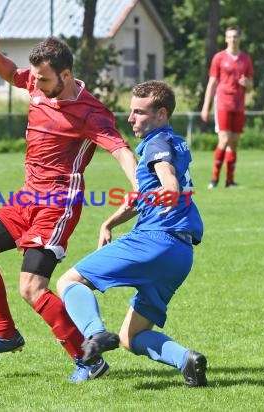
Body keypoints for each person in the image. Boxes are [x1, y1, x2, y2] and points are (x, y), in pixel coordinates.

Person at [0, 28, 137, 382]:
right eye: (36, 77)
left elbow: (119, 149)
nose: (36, 84)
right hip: (26, 197)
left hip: (58, 205)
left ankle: (89, 360)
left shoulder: (91, 112)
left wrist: (139, 185)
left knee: (31, 288)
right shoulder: (36, 82)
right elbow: (12, 74)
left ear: (66, 75)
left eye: (43, 78)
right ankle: (5, 334)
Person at [56, 80, 208, 387]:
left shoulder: (156, 145)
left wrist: (169, 191)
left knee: (69, 282)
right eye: (131, 112)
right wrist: (109, 223)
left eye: (139, 112)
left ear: (161, 114)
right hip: (181, 255)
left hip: (154, 240)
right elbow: (142, 196)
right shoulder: (176, 142)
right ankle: (187, 360)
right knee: (130, 336)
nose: (131, 119)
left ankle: (94, 332)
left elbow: (167, 180)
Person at [201, 25, 253, 189]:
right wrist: (205, 106)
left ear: (240, 38)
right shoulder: (219, 58)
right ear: (225, 38)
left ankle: (229, 181)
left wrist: (248, 84)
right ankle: (214, 179)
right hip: (223, 102)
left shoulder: (245, 59)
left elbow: (251, 85)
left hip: (239, 105)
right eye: (230, 36)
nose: (233, 39)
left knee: (234, 142)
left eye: (235, 36)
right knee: (223, 140)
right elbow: (212, 83)